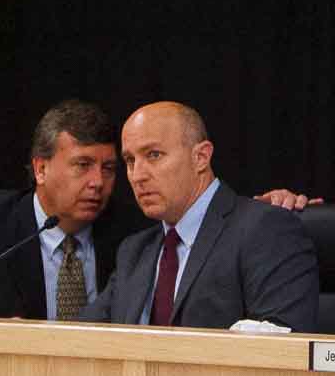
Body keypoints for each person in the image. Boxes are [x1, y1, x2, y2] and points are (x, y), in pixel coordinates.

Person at [81, 101, 319, 331]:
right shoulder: (134, 251)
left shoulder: (264, 229)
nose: (137, 175)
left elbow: (281, 343)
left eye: (153, 155)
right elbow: (77, 336)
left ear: (201, 157)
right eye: (130, 160)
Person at [0, 99, 141, 318]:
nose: (98, 182)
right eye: (83, 165)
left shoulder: (137, 238)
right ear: (41, 169)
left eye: (108, 168)